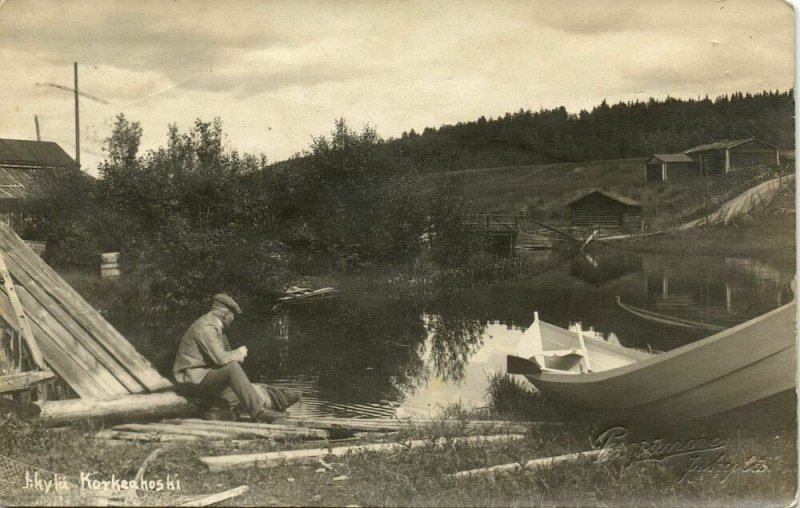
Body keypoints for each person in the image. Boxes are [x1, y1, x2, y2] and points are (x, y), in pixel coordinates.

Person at [173, 293, 296, 423]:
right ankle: (259, 412)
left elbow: (221, 361)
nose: (233, 319)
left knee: (239, 392)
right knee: (232, 368)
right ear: (225, 315)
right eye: (233, 316)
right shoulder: (206, 327)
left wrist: (235, 358)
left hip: (202, 377)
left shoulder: (216, 328)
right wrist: (238, 353)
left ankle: (214, 411)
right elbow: (221, 359)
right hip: (191, 380)